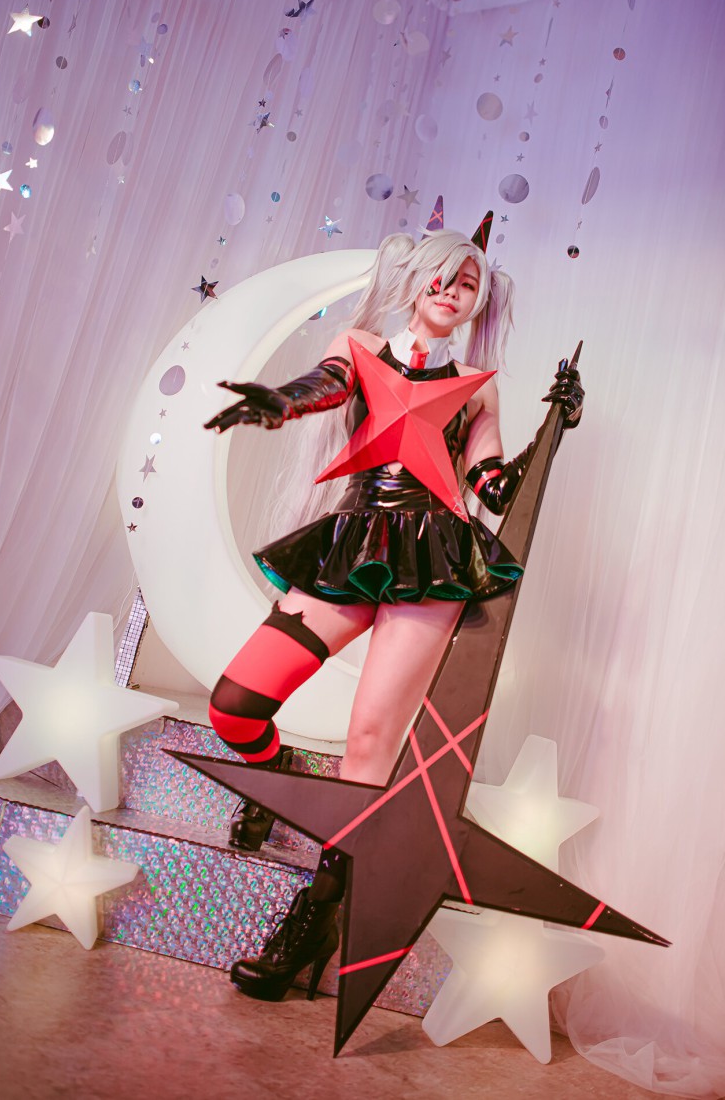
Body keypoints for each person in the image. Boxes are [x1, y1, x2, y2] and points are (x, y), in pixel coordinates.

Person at [202, 219, 584, 1002]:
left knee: (371, 745)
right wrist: (278, 401)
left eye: (468, 284)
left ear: (477, 303)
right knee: (235, 704)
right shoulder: (360, 347)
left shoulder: (477, 385)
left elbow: (491, 488)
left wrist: (552, 432)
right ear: (414, 282)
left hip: (431, 566)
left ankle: (315, 916)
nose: (451, 291)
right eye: (441, 276)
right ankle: (280, 778)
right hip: (350, 546)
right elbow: (324, 385)